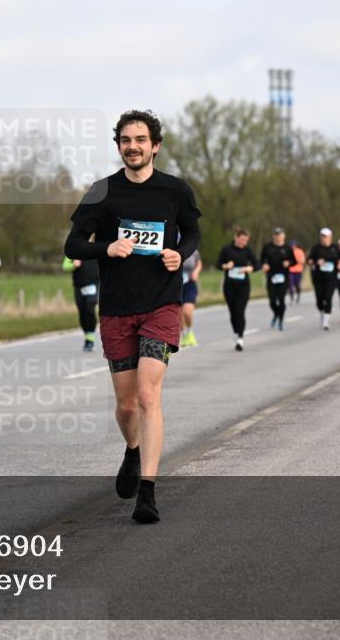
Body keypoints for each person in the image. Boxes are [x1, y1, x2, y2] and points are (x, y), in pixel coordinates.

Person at [64, 109, 201, 524]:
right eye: (126, 140)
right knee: (126, 407)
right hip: (118, 309)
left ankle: (148, 491)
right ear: (119, 145)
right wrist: (106, 248)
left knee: (147, 396)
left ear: (155, 145)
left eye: (141, 139)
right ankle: (132, 449)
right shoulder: (101, 192)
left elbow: (192, 233)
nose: (133, 146)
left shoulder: (175, 190)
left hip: (161, 304)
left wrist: (183, 252)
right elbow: (72, 245)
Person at [217, 227, 257, 350]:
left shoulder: (247, 251)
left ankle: (240, 337)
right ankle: (235, 333)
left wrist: (250, 268)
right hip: (229, 286)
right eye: (242, 240)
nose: (243, 243)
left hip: (243, 286)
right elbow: (218, 265)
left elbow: (257, 264)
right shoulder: (226, 250)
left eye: (245, 241)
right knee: (233, 312)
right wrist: (226, 266)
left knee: (240, 310)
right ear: (236, 238)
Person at [62, 256, 99, 352]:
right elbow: (65, 266)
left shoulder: (96, 249)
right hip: (78, 287)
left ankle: (90, 339)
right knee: (82, 312)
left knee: (90, 309)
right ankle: (87, 336)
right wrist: (73, 265)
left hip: (93, 284)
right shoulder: (74, 250)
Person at [259, 227, 294, 330]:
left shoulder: (287, 248)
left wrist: (289, 263)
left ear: (284, 236)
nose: (277, 237)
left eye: (279, 234)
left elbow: (294, 261)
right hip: (271, 276)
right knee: (272, 300)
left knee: (281, 299)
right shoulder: (267, 247)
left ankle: (281, 320)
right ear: (273, 236)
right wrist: (264, 265)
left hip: (283, 276)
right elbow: (261, 260)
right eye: (276, 234)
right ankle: (276, 313)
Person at [307, 228, 339, 330]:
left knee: (328, 298)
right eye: (322, 236)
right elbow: (309, 259)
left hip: (331, 278)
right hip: (318, 278)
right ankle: (322, 311)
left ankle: (326, 321)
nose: (324, 238)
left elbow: (339, 259)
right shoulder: (316, 248)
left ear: (330, 237)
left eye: (326, 236)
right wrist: (314, 262)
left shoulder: (335, 248)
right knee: (319, 300)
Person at [179, 249, 201, 347]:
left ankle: (190, 331)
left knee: (187, 312)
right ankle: (183, 335)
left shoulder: (193, 250)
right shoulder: (172, 245)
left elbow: (199, 263)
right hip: (176, 286)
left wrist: (196, 271)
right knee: (179, 314)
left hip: (190, 285)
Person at [287, 240, 305, 304]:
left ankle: (298, 295)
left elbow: (303, 261)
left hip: (298, 270)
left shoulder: (299, 251)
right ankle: (291, 298)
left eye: (293, 245)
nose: (292, 246)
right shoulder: (288, 251)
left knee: (297, 285)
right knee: (290, 285)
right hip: (290, 271)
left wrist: (295, 261)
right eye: (291, 245)